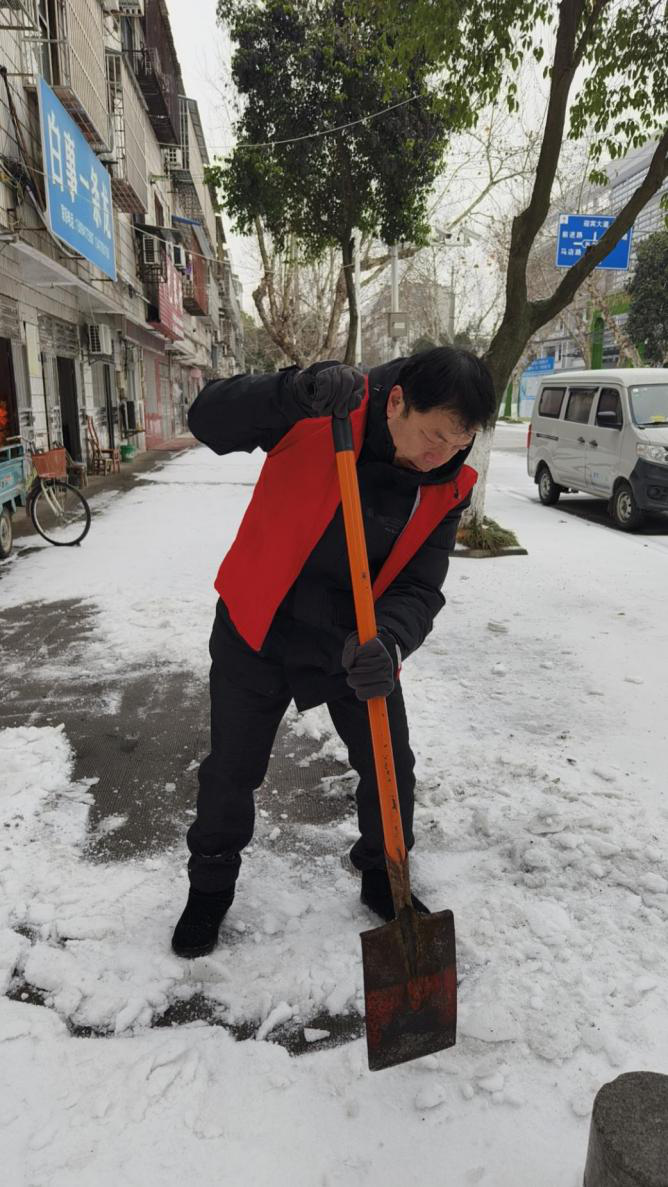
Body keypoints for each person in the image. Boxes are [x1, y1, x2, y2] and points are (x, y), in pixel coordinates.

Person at [171, 348, 497, 958]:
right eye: (433, 437)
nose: (442, 456)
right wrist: (290, 391)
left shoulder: (449, 483)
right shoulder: (326, 409)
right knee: (231, 771)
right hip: (259, 624)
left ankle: (383, 875)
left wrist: (389, 641)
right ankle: (210, 886)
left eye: (460, 443)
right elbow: (207, 419)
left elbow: (421, 586)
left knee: (390, 766)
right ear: (396, 403)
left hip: (357, 636)